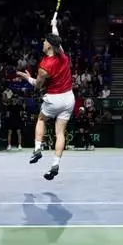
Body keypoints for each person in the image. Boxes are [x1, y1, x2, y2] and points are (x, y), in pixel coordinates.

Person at [16, 20, 74, 181]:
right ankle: (55, 164)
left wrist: (28, 78)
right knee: (60, 132)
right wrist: (54, 25)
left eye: (45, 41)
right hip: (69, 98)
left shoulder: (44, 66)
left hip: (54, 99)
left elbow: (37, 85)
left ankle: (37, 149)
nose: (43, 43)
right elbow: (57, 36)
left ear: (49, 46)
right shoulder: (63, 55)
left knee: (41, 119)